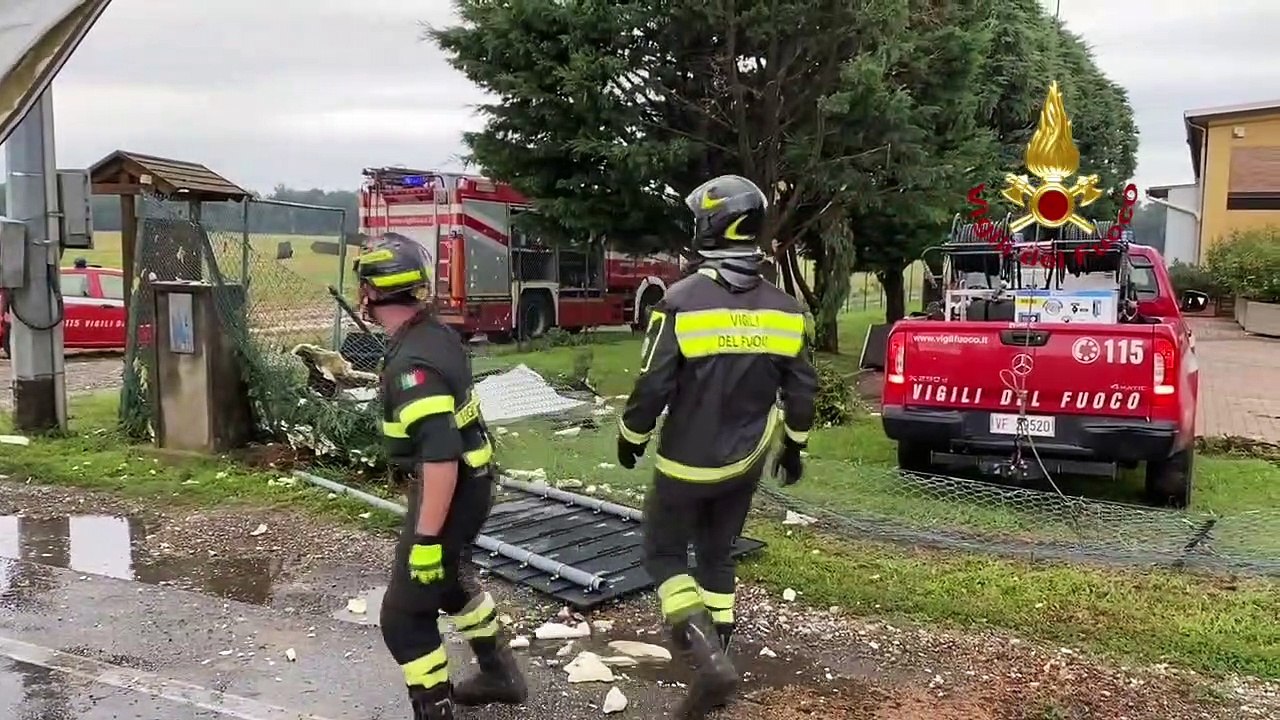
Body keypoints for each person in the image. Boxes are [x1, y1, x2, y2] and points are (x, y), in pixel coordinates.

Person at [615, 174, 818, 719]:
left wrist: (631, 436)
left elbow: (652, 385)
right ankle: (720, 661)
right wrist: (794, 446)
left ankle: (708, 664)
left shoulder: (678, 302)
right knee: (717, 553)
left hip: (685, 460)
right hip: (747, 460)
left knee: (661, 554)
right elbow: (801, 390)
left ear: (711, 225)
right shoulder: (786, 309)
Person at [354, 233, 527, 720]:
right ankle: (500, 674)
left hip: (450, 490)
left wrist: (427, 538)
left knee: (404, 619)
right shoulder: (434, 334)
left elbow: (440, 458)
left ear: (371, 292)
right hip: (472, 483)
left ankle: (436, 709)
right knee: (448, 581)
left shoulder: (412, 365)